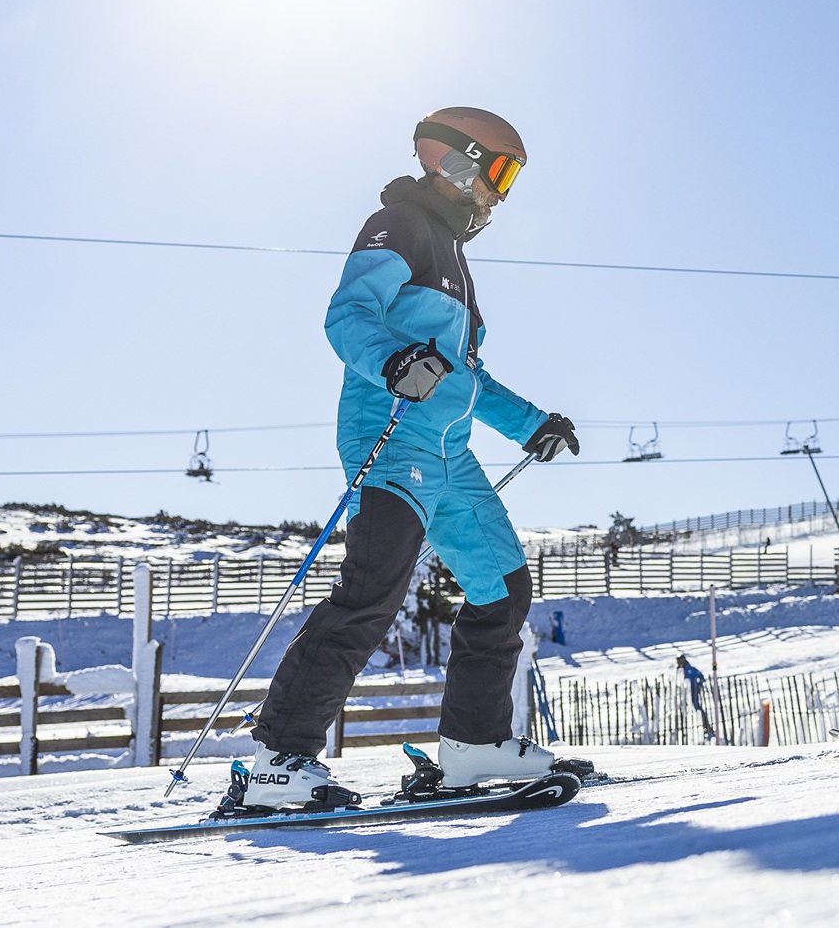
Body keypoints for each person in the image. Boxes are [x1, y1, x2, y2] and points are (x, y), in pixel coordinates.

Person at [222, 107, 583, 811]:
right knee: (373, 590)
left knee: (501, 587)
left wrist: (531, 423)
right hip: (389, 434)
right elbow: (347, 313)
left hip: (451, 453)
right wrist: (393, 361)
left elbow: (465, 377)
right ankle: (279, 761)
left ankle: (474, 746)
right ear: (457, 164)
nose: (501, 194)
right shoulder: (399, 227)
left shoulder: (457, 261)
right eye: (499, 173)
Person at [675, 652, 716, 740]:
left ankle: (705, 726)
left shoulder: (690, 669)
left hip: (693, 693)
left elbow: (701, 676)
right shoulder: (680, 670)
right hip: (684, 695)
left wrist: (698, 685)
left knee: (697, 708)